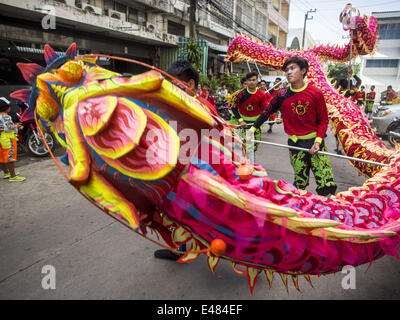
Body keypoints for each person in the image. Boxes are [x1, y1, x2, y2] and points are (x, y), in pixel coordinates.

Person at [247, 56, 337, 197]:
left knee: (326, 183)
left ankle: (326, 210)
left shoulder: (316, 93)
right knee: (300, 181)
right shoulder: (281, 95)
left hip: (315, 143)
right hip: (295, 144)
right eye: (287, 70)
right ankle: (302, 210)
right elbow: (266, 112)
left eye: (293, 68)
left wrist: (318, 142)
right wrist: (252, 129)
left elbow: (323, 120)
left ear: (303, 71)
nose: (288, 72)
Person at [153, 61, 216, 261]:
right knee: (173, 211)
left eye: (173, 83)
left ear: (189, 84)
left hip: (196, 171)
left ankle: (246, 255)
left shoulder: (197, 106)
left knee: (210, 216)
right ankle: (179, 248)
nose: (169, 87)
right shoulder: (180, 103)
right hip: (182, 168)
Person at [230, 71, 272, 158]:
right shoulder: (239, 94)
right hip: (243, 124)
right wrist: (240, 120)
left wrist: (275, 117)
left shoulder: (262, 95)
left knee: (253, 147)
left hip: (256, 123)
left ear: (257, 81)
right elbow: (233, 108)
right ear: (247, 82)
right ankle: (244, 165)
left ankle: (248, 163)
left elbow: (265, 110)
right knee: (244, 147)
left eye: (254, 80)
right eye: (249, 80)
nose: (252, 82)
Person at [0, 98, 25, 181]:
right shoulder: (5, 116)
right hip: (8, 138)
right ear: (6, 108)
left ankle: (6, 172)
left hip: (2, 138)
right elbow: (9, 127)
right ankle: (13, 176)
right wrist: (17, 126)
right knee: (10, 157)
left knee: (3, 157)